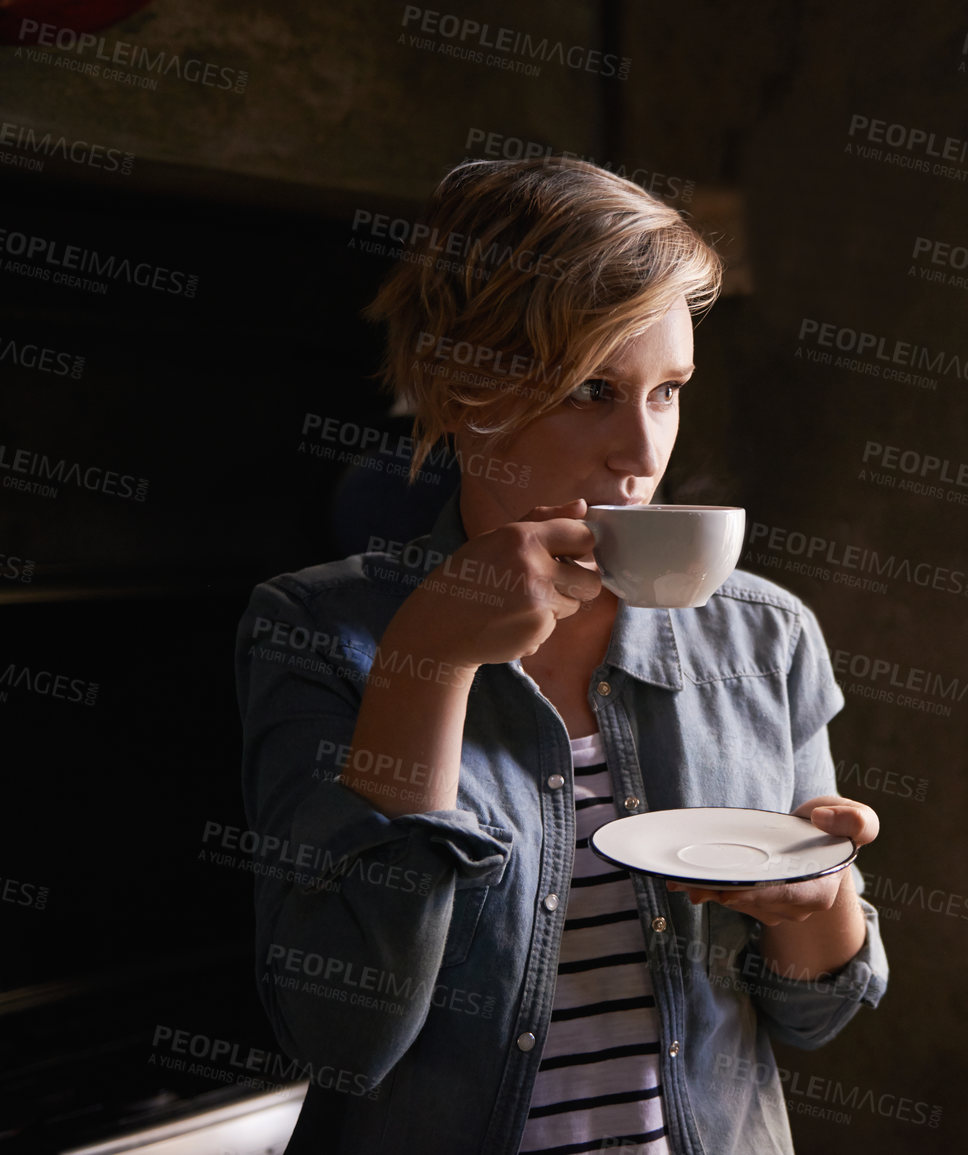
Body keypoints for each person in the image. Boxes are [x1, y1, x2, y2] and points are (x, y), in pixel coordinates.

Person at [235, 157, 888, 1155]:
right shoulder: (319, 632)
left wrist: (818, 899)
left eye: (667, 391)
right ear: (463, 390)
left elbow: (813, 1016)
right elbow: (344, 1039)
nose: (641, 451)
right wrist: (428, 662)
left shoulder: (766, 636)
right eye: (593, 389)